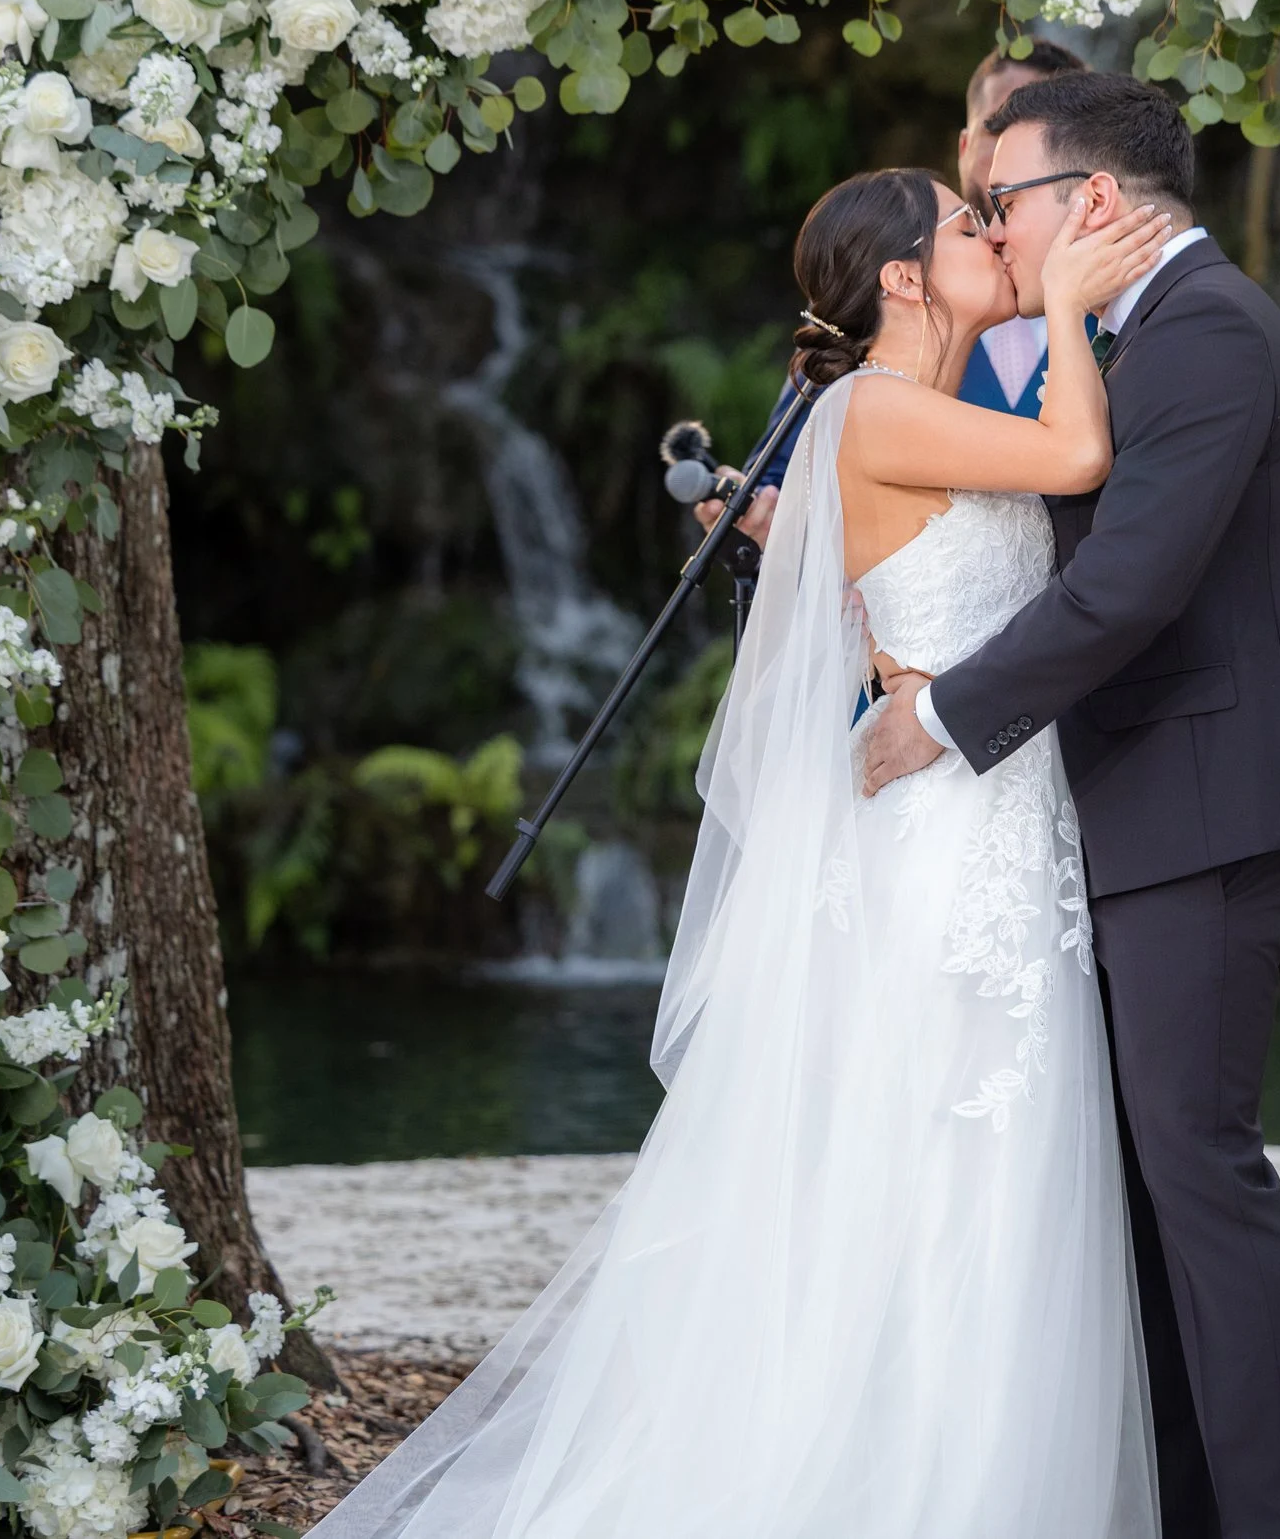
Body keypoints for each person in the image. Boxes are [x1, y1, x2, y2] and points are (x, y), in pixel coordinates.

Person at [310, 169, 1175, 1537]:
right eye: (967, 225)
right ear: (902, 279)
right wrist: (1071, 301)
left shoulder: (915, 414)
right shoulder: (879, 405)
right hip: (950, 851)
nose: (995, 237)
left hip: (1000, 824)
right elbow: (1079, 459)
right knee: (949, 1165)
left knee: (991, 1171)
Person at [860, 70, 1280, 1539]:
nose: (991, 230)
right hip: (1148, 810)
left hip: (1207, 812)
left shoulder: (1206, 333)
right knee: (1155, 1193)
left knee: (1201, 1179)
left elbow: (1128, 586)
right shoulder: (1139, 334)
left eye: (1001, 200)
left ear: (1092, 201)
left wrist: (944, 719)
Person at [696, 37, 1087, 545]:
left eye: (1045, 134)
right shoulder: (866, 361)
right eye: (1002, 127)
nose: (1020, 149)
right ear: (966, 147)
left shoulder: (1115, 298)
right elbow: (782, 488)